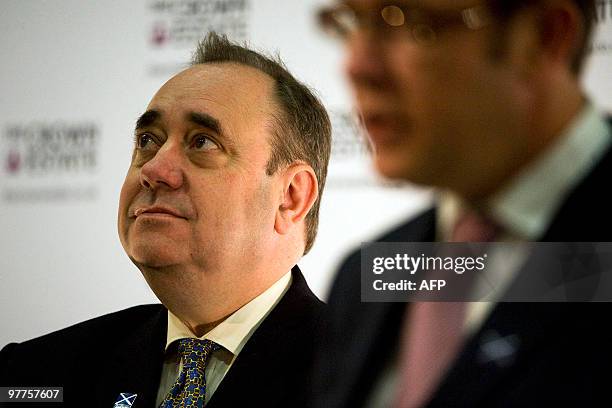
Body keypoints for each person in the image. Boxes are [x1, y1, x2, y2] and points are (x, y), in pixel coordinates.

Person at [0, 32, 331, 407]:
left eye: (202, 142)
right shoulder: (31, 374)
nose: (154, 169)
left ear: (291, 197)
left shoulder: (368, 378)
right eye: (148, 141)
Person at [313, 0, 611, 407]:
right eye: (351, 21)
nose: (357, 66)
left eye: (408, 21)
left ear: (544, 36)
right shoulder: (364, 278)